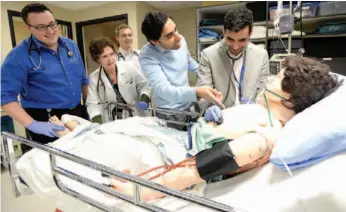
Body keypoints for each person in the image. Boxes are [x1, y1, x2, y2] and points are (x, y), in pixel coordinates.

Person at [110, 55, 341, 201]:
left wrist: (141, 190)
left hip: (177, 153)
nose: (269, 79)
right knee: (123, 128)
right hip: (180, 135)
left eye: (277, 78)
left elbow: (194, 170)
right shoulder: (263, 111)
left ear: (288, 100)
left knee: (109, 138)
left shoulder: (263, 138)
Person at [0, 3, 89, 152]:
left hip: (77, 112)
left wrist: (92, 106)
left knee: (84, 153)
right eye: (41, 27)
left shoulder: (70, 46)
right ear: (28, 27)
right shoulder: (18, 56)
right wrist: (33, 124)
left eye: (52, 24)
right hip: (46, 118)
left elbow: (83, 79)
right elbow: (6, 98)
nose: (50, 31)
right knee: (57, 164)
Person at [140, 11, 225, 131]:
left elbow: (189, 63)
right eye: (169, 36)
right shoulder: (147, 56)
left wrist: (209, 74)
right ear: (155, 41)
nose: (178, 37)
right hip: (169, 113)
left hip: (189, 104)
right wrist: (197, 92)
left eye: (176, 29)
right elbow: (164, 91)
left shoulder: (180, 40)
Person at [198, 7, 270, 124]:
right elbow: (204, 92)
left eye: (242, 40)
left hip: (251, 119)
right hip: (221, 119)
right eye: (230, 39)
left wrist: (258, 107)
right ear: (224, 31)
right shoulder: (208, 55)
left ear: (250, 33)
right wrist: (208, 107)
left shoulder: (261, 55)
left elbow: (263, 91)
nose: (235, 47)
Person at [86, 36, 151, 123]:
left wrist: (144, 98)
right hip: (112, 121)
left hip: (136, 116)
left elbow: (144, 85)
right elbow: (92, 104)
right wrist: (97, 121)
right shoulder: (94, 78)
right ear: (97, 60)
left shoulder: (129, 67)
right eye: (104, 56)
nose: (110, 59)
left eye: (112, 54)